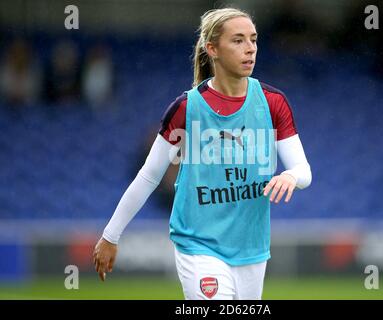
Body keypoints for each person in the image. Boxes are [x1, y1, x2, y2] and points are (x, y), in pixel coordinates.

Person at [93, 7, 312, 300]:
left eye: (254, 40)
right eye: (238, 40)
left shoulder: (273, 103)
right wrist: (111, 236)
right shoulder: (186, 109)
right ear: (213, 49)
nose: (250, 49)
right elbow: (148, 176)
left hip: (252, 248)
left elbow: (304, 172)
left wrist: (291, 176)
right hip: (199, 245)